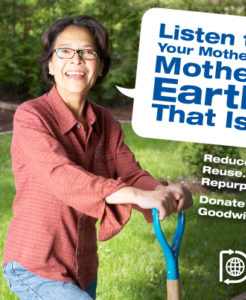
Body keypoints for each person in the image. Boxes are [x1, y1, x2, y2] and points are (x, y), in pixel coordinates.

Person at [2, 15, 193, 300]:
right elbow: (62, 176)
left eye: (88, 52)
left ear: (100, 66)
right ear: (51, 65)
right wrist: (134, 195)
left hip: (82, 268)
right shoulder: (32, 116)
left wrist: (160, 191)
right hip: (35, 266)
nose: (76, 60)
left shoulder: (106, 121)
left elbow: (130, 173)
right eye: (64, 51)